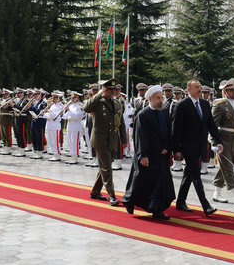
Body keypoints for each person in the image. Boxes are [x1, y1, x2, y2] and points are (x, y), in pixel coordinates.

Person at [122, 85, 176, 219]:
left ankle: (157, 209)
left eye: (161, 98)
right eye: (157, 98)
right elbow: (141, 137)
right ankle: (130, 201)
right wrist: (143, 155)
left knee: (161, 184)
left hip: (162, 156)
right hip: (149, 156)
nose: (160, 101)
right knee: (141, 181)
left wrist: (168, 147)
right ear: (150, 99)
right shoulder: (143, 115)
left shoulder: (164, 113)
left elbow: (168, 133)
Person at [171, 79, 224, 216]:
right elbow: (176, 129)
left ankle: (180, 201)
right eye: (196, 87)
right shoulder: (182, 105)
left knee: (189, 173)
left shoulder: (205, 104)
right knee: (196, 175)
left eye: (200, 87)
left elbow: (211, 125)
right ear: (188, 90)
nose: (200, 89)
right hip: (187, 146)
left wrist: (218, 141)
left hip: (200, 146)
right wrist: (176, 149)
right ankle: (206, 205)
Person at [83, 78, 125, 206]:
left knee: (103, 168)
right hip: (99, 140)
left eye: (115, 89)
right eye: (110, 89)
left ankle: (95, 192)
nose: (113, 91)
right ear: (105, 89)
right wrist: (98, 94)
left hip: (112, 139)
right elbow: (86, 108)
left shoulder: (117, 103)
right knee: (107, 168)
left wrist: (124, 140)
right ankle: (111, 195)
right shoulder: (97, 101)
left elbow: (121, 122)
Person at [210, 78, 234, 206]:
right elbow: (212, 126)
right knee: (228, 168)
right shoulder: (219, 105)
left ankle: (216, 193)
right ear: (225, 92)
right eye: (231, 90)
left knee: (224, 167)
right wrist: (214, 143)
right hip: (223, 141)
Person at [63, 92, 85, 165]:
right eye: (71, 98)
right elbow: (66, 116)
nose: (71, 99)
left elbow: (77, 116)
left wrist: (69, 110)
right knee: (69, 142)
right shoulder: (71, 106)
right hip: (69, 125)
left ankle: (75, 158)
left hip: (76, 126)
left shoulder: (80, 106)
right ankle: (72, 156)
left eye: (73, 98)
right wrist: (62, 114)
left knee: (74, 143)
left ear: (77, 98)